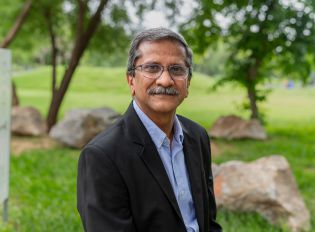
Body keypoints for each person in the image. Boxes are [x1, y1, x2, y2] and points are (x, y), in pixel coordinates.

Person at [77, 27, 222, 232]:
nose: (165, 80)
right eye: (152, 68)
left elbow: (208, 222)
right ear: (131, 81)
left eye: (177, 69)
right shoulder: (102, 156)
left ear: (188, 82)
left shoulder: (197, 136)